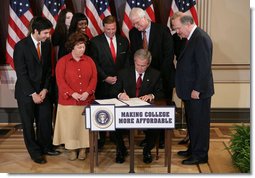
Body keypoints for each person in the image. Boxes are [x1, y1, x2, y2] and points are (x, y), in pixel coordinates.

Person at [13, 16, 60, 164]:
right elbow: (21, 73)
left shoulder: (46, 45)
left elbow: (47, 70)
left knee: (45, 121)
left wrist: (45, 89)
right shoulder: (21, 46)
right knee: (28, 124)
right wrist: (33, 94)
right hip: (26, 93)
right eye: (45, 33)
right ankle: (35, 152)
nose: (48, 35)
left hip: (43, 92)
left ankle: (46, 147)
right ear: (36, 31)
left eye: (48, 32)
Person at [171, 12, 214, 165]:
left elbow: (204, 68)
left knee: (199, 124)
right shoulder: (190, 38)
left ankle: (200, 155)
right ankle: (192, 149)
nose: (177, 32)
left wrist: (198, 89)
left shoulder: (200, 38)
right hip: (190, 91)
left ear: (188, 24)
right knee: (192, 122)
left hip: (198, 93)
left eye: (178, 28)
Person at [129, 7, 175, 148]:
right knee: (146, 109)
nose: (136, 27)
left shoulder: (162, 30)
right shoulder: (133, 33)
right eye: (134, 24)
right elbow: (136, 55)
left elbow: (168, 55)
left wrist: (157, 76)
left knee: (161, 109)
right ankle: (149, 138)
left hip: (163, 75)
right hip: (145, 77)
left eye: (138, 23)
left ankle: (161, 138)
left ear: (145, 17)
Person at [112, 49, 164, 164]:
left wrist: (151, 95)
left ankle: (147, 151)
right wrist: (120, 94)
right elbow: (114, 90)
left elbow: (161, 92)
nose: (140, 68)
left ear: (148, 64)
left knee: (156, 127)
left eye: (143, 66)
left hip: (145, 113)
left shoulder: (155, 74)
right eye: (138, 65)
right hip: (126, 112)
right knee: (112, 124)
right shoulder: (123, 73)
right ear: (134, 61)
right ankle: (121, 150)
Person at [53, 32, 97, 161]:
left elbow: (94, 79)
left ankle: (83, 149)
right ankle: (72, 149)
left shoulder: (90, 61)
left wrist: (87, 92)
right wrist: (73, 93)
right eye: (79, 47)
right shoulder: (62, 61)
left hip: (86, 100)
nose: (82, 49)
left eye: (83, 47)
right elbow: (60, 81)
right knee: (71, 127)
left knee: (83, 127)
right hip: (68, 102)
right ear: (72, 47)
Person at [89, 15, 129, 150]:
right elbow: (94, 63)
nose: (111, 31)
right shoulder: (95, 42)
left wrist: (122, 80)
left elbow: (127, 63)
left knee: (118, 110)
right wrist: (105, 77)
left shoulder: (124, 41)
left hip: (119, 83)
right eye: (108, 29)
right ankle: (101, 138)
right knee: (102, 110)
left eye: (113, 29)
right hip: (103, 83)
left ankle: (116, 137)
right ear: (103, 27)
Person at [170, 12, 190, 145]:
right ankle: (189, 136)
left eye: (178, 28)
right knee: (188, 111)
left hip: (192, 81)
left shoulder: (197, 38)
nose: (177, 31)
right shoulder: (175, 38)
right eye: (175, 28)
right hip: (182, 78)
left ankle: (191, 136)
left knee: (194, 114)